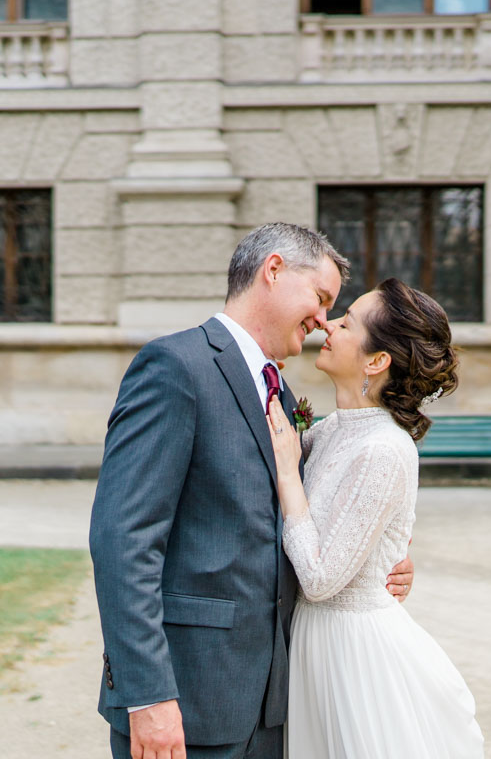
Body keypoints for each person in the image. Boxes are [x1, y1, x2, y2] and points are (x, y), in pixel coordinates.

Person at [89, 223, 415, 759]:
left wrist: (383, 558)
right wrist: (147, 695)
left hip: (274, 706)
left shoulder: (281, 391)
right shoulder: (176, 367)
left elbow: (309, 516)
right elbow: (122, 540)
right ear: (275, 270)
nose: (322, 319)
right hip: (186, 701)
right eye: (321, 297)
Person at [266, 277, 485, 758]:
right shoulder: (330, 431)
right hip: (316, 645)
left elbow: (321, 579)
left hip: (354, 655)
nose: (328, 324)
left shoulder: (385, 448)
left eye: (346, 323)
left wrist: (287, 474)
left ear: (376, 360)